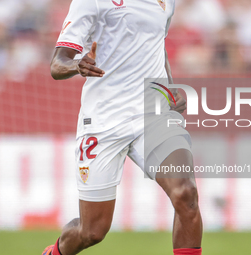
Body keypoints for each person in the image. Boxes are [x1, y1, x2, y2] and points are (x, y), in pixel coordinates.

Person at [42, 0, 203, 254]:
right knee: (92, 231)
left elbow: (156, 45)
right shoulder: (92, 1)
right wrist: (77, 66)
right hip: (104, 121)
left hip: (152, 114)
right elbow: (57, 64)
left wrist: (170, 89)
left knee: (186, 194)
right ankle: (54, 252)